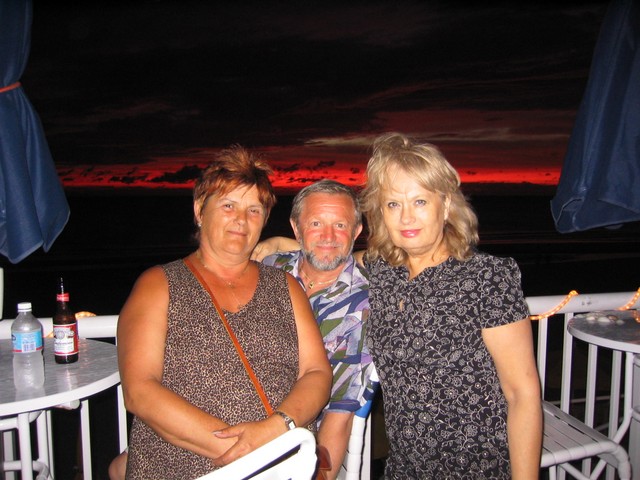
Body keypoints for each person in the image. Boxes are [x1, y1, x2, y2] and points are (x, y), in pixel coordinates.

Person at [112, 146, 332, 480]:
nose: (241, 219)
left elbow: (316, 372)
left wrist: (276, 428)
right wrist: (248, 456)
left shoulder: (285, 287)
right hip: (189, 464)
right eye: (229, 205)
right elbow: (140, 391)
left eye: (254, 210)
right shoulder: (159, 285)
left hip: (281, 457)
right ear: (200, 210)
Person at [360, 132, 542, 479]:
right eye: (393, 204)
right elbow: (334, 256)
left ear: (444, 206)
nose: (406, 217)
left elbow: (522, 395)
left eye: (419, 201)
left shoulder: (486, 278)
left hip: (476, 468)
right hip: (405, 469)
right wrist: (283, 243)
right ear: (380, 212)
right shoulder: (383, 271)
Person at [258, 179, 374, 480]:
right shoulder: (268, 267)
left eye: (340, 225)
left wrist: (319, 476)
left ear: (356, 232)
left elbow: (340, 412)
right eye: (316, 223)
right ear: (296, 229)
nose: (328, 236)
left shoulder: (361, 306)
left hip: (292, 443)